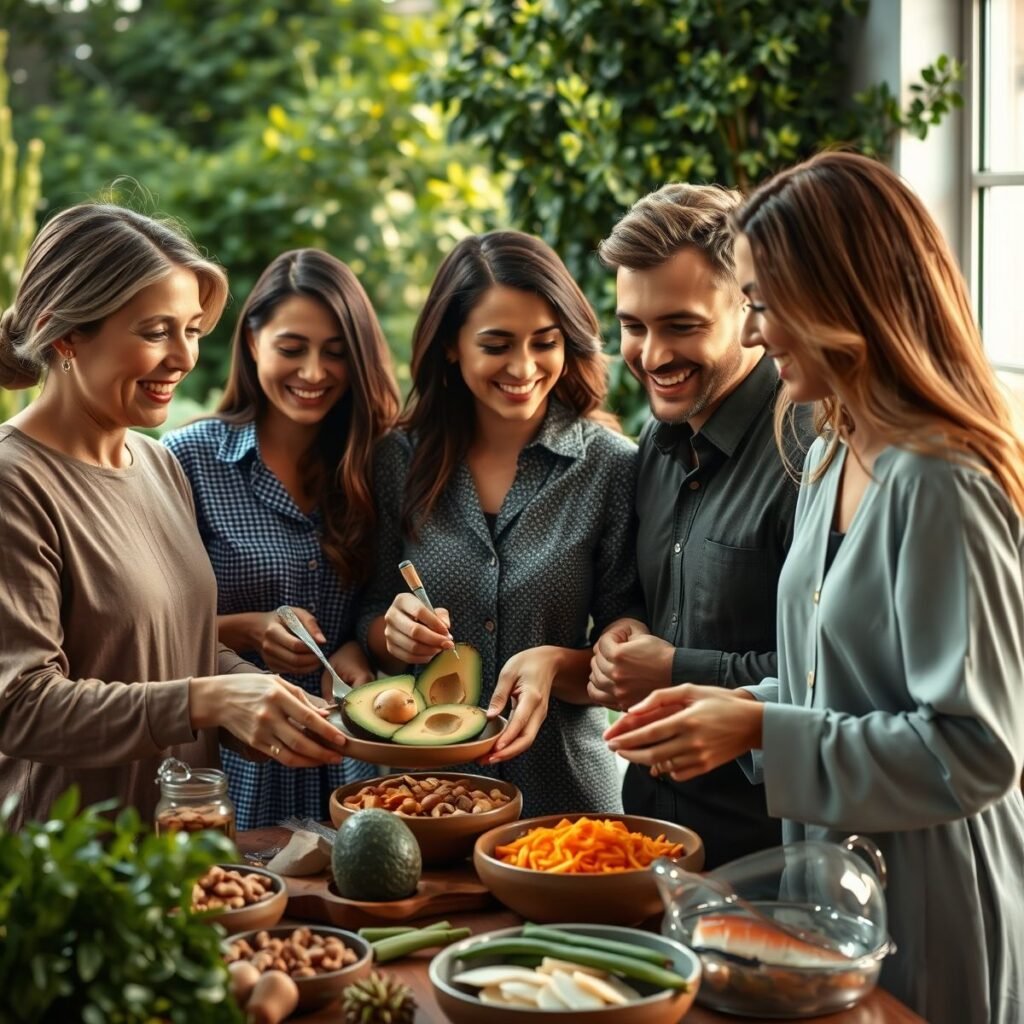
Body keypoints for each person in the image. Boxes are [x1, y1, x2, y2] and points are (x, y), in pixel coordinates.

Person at [605, 152, 1024, 1024]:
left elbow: (978, 751)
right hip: (830, 886)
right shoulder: (830, 446)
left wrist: (760, 725)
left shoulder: (941, 479)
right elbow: (828, 687)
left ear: (842, 302)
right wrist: (727, 716)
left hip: (932, 898)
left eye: (761, 303)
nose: (755, 334)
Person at [0, 204, 348, 831]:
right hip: (68, 868)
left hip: (179, 852)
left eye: (191, 330)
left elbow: (176, 650)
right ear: (64, 335)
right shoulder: (15, 482)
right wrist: (209, 699)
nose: (184, 357)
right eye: (156, 331)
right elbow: (20, 706)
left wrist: (269, 700)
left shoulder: (159, 466)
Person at [358, 230, 639, 817]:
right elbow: (366, 618)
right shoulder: (395, 461)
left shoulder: (611, 467)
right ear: (451, 346)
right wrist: (391, 633)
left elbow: (628, 652)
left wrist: (559, 664)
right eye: (497, 344)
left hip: (564, 798)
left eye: (545, 342)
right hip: (421, 797)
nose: (524, 367)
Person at [590, 184, 813, 868]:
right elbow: (641, 598)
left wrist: (676, 669)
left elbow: (831, 683)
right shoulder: (654, 445)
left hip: (772, 861)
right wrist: (620, 632)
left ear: (747, 309)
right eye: (633, 326)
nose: (652, 355)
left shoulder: (809, 449)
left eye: (681, 326)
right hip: (648, 842)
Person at [163, 249, 399, 828]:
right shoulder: (190, 460)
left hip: (356, 759)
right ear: (251, 342)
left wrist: (353, 649)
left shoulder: (378, 462)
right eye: (292, 349)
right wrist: (246, 630)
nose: (314, 373)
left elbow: (383, 602)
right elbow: (149, 629)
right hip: (239, 757)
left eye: (336, 354)